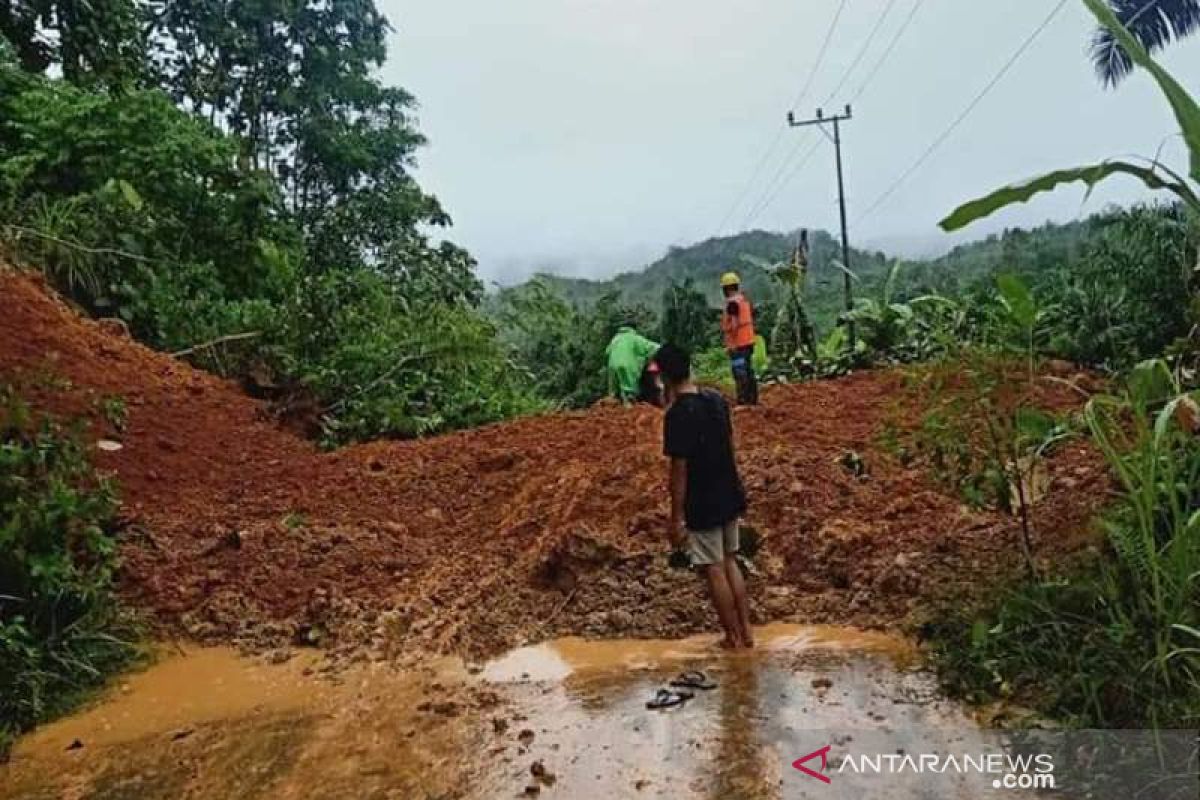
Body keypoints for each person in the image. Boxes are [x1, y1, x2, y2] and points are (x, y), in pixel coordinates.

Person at [657, 342, 754, 649]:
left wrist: (676, 519)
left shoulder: (677, 416)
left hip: (703, 500)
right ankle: (747, 632)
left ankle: (732, 636)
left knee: (713, 568)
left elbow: (679, 473)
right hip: (728, 490)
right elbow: (729, 445)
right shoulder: (715, 400)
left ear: (665, 377)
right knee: (730, 560)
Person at [719, 272, 759, 406]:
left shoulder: (732, 304)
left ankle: (743, 401)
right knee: (748, 370)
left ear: (726, 288)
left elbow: (735, 324)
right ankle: (752, 400)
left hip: (739, 344)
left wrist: (732, 344)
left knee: (740, 372)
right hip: (748, 341)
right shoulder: (743, 300)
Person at [606, 322, 662, 406]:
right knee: (629, 391)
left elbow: (607, 351)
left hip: (612, 366)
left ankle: (612, 407)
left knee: (614, 394)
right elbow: (654, 347)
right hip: (627, 366)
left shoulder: (615, 339)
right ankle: (629, 409)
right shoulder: (634, 338)